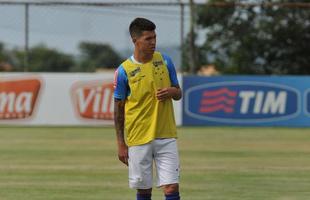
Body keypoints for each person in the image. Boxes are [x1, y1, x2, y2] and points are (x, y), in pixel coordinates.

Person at [113, 17, 182, 200]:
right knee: (144, 191)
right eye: (148, 39)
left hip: (166, 135)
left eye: (154, 37)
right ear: (135, 41)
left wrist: (171, 92)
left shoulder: (165, 61)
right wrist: (121, 142)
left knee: (171, 188)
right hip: (138, 138)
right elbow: (118, 109)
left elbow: (179, 93)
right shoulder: (124, 71)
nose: (153, 42)